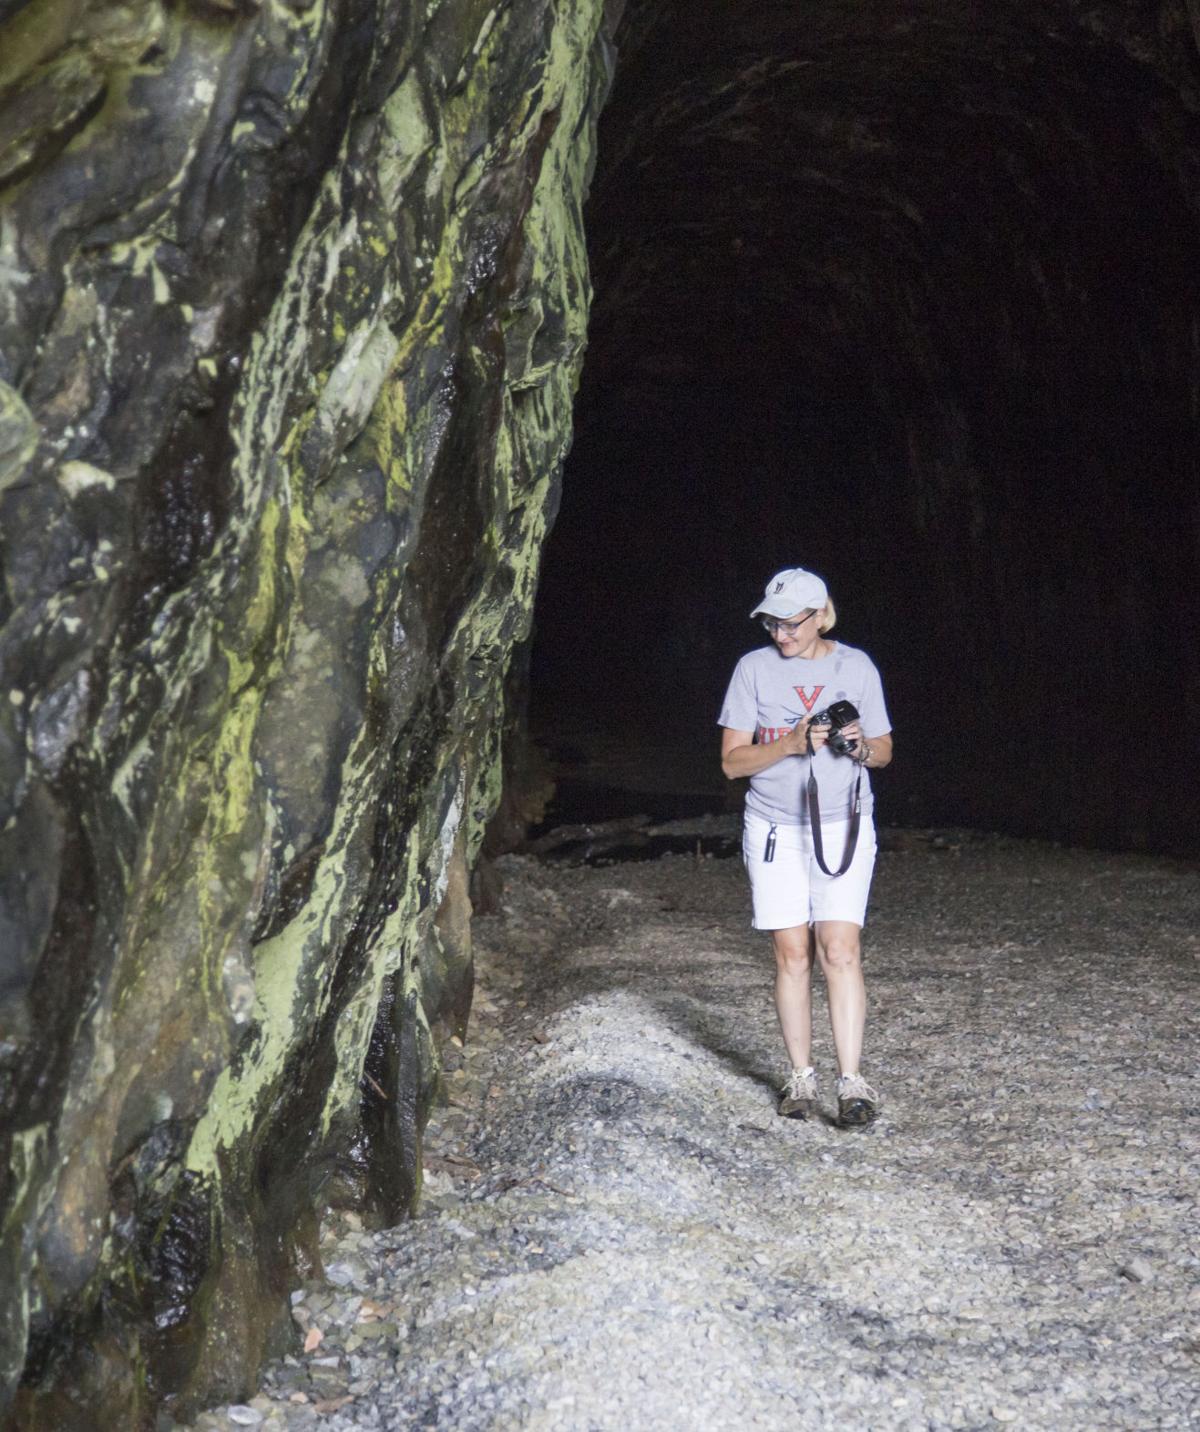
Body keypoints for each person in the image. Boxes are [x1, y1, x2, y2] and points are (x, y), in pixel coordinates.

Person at [718, 567, 893, 1127]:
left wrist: (859, 748)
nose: (781, 634)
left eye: (791, 623)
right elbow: (731, 763)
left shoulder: (856, 666)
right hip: (774, 828)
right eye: (772, 623)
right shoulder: (752, 669)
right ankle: (801, 1077)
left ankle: (852, 1082)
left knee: (839, 950)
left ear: (820, 615)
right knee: (792, 954)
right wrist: (790, 744)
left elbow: (885, 751)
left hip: (844, 826)